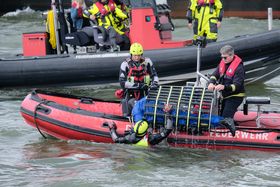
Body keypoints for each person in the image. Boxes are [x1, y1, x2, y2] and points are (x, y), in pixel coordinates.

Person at [208, 45, 245, 136]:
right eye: (222, 57)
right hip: (225, 96)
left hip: (235, 96)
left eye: (225, 57)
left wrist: (224, 87)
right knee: (221, 117)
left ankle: (231, 134)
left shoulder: (239, 68)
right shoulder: (223, 63)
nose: (223, 59)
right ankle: (233, 125)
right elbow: (214, 75)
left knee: (225, 119)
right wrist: (211, 82)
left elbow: (237, 86)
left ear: (231, 55)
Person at [119, 42, 159, 116]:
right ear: (131, 54)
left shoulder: (147, 62)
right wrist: (139, 85)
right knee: (134, 106)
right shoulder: (125, 64)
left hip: (145, 92)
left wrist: (155, 83)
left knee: (149, 108)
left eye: (139, 55)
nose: (137, 57)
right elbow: (122, 83)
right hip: (131, 94)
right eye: (135, 55)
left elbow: (154, 75)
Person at [108, 104, 173, 146]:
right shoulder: (151, 139)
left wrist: (112, 128)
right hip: (150, 152)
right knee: (162, 133)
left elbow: (116, 140)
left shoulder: (130, 138)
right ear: (147, 131)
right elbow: (167, 131)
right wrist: (168, 113)